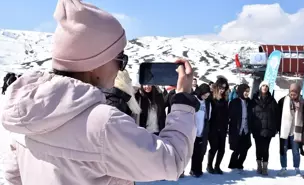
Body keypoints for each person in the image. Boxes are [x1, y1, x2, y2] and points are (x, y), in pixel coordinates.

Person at [1, 1, 199, 184]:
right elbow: (171, 161)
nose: (121, 68)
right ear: (95, 63)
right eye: (120, 58)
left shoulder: (27, 111)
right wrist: (182, 99)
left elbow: (13, 176)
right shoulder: (103, 123)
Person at [250, 81, 279, 175]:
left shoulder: (272, 100)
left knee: (266, 148)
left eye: (266, 86)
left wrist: (274, 128)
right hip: (257, 129)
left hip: (268, 129)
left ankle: (265, 166)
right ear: (260, 87)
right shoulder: (254, 100)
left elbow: (276, 115)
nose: (265, 87)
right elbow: (251, 114)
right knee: (258, 148)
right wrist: (251, 127)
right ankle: (259, 165)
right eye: (263, 85)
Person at [277, 83, 304, 176]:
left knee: (296, 151)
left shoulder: (302, 102)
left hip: (296, 131)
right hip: (285, 130)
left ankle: (297, 168)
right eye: (291, 93)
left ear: (298, 93)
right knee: (283, 150)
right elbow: (277, 116)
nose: (292, 95)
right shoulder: (283, 101)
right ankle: (283, 167)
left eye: (295, 94)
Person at [207, 77, 229, 174]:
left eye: (224, 88)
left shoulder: (225, 99)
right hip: (213, 127)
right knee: (214, 147)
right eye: (221, 88)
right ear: (216, 87)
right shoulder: (211, 98)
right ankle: (209, 165)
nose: (222, 90)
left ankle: (217, 166)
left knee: (222, 149)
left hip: (223, 127)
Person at [228, 84, 252, 173]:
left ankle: (240, 164)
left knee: (245, 148)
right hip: (236, 128)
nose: (246, 93)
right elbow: (230, 116)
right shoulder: (234, 102)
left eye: (248, 92)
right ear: (241, 91)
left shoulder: (249, 102)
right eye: (245, 91)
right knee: (237, 148)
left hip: (246, 128)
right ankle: (232, 164)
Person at [189, 84, 212, 178]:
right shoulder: (193, 99)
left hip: (202, 130)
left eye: (207, 96)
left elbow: (208, 116)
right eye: (204, 95)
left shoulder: (207, 103)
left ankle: (198, 169)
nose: (205, 97)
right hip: (192, 129)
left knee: (200, 151)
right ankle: (192, 169)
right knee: (193, 152)